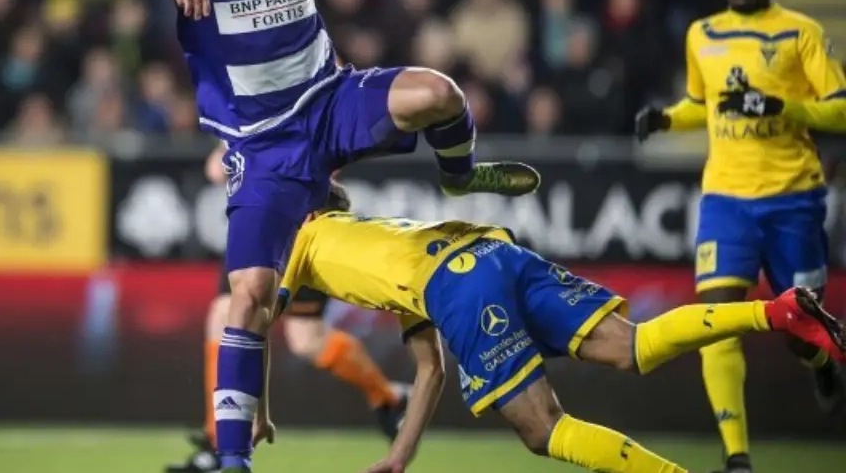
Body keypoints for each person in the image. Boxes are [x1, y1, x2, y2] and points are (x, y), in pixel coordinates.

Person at [115, 0, 539, 470]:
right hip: (264, 145)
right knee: (246, 298)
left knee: (440, 94)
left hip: (329, 102)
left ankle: (460, 174)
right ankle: (232, 459)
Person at [268, 182, 846, 473]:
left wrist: (248, 411)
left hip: (458, 285)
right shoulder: (378, 240)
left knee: (543, 429)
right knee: (634, 344)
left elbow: (251, 315)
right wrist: (400, 455)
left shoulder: (304, 235)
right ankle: (776, 312)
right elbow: (430, 370)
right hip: (488, 251)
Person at [635, 0, 846, 473]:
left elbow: (841, 108)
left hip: (793, 199)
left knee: (799, 329)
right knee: (716, 319)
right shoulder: (702, 33)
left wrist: (784, 107)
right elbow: (702, 104)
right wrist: (664, 118)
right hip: (726, 199)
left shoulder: (801, 33)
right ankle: (737, 458)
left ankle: (822, 361)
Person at [165, 145, 409, 473]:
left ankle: (388, 397)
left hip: (303, 227)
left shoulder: (307, 119)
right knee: (224, 315)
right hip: (257, 223)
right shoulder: (252, 118)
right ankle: (218, 441)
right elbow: (215, 167)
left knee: (306, 339)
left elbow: (327, 161)